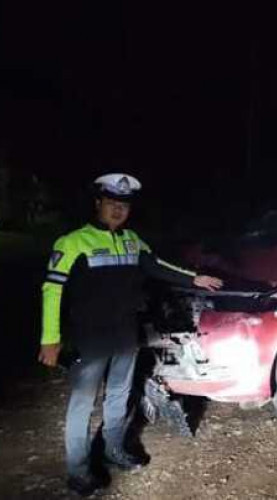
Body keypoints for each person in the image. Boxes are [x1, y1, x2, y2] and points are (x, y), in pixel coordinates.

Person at [38, 173, 223, 496]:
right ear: (98, 204)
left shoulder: (132, 241)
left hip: (125, 336)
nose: (118, 210)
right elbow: (52, 291)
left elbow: (159, 266)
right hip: (89, 340)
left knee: (119, 398)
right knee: (82, 405)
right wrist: (49, 339)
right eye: (111, 203)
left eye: (123, 205)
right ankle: (79, 471)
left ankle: (114, 450)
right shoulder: (72, 243)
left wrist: (195, 279)